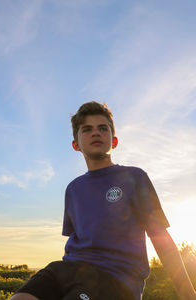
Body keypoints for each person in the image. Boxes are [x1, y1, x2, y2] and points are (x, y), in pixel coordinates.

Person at [11, 101, 196, 300]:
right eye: (87, 129)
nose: (96, 133)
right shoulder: (73, 189)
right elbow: (76, 242)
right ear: (76, 145)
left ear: (114, 141)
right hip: (65, 269)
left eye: (102, 128)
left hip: (115, 279)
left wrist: (188, 294)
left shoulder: (134, 177)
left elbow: (160, 237)